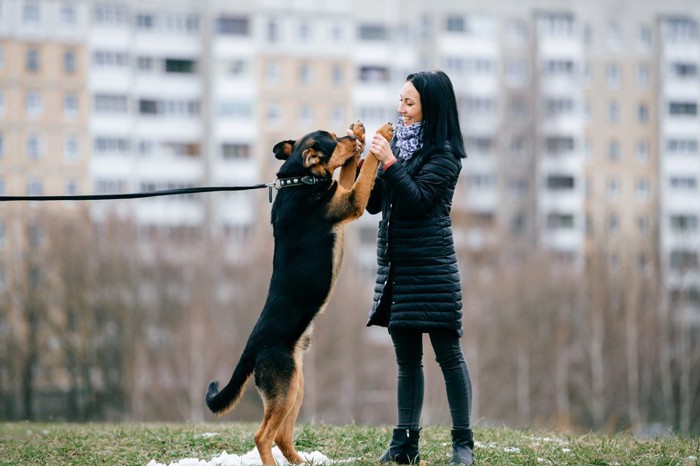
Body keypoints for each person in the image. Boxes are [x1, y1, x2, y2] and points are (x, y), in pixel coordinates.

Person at [365, 70, 474, 466]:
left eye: (409, 103)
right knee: (407, 361)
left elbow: (419, 200)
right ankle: (404, 444)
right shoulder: (399, 148)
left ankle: (463, 444)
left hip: (433, 268)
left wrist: (390, 162)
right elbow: (374, 204)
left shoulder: (445, 155)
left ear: (432, 106)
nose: (400, 109)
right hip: (397, 268)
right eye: (400, 100)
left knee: (449, 355)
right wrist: (370, 164)